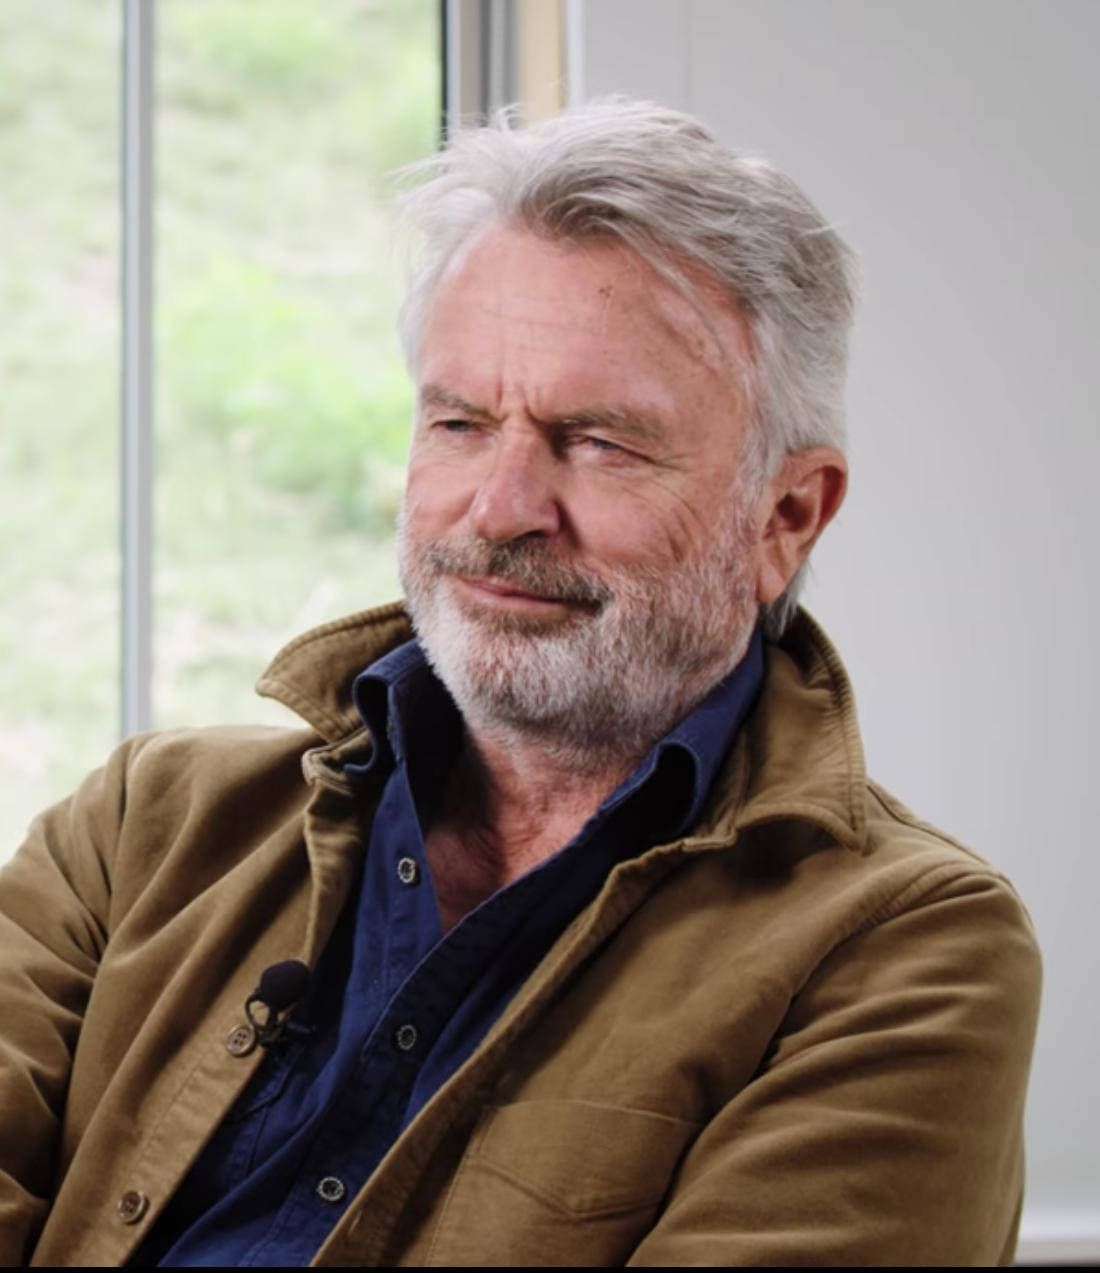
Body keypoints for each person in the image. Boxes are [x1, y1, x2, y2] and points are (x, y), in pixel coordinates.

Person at [1, 99, 1040, 1267]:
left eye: (597, 441)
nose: (499, 511)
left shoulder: (902, 951)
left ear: (784, 516)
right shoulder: (141, 828)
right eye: (457, 421)